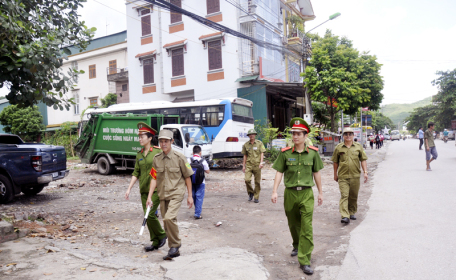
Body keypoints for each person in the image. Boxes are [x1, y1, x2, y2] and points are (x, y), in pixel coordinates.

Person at [271, 117, 324, 276]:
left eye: (298, 134)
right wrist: (275, 191)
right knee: (293, 223)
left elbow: (317, 173)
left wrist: (320, 192)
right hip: (290, 193)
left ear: (305, 135)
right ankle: (296, 243)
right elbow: (279, 172)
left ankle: (305, 260)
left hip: (307, 193)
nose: (295, 136)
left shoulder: (313, 153)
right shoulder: (285, 154)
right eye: (293, 133)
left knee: (306, 227)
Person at [146, 129, 194, 260]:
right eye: (161, 141)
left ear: (172, 141)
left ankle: (175, 245)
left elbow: (188, 177)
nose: (163, 144)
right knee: (167, 222)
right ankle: (174, 249)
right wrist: (150, 196)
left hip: (177, 193)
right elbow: (154, 178)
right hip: (163, 194)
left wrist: (190, 196)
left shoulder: (180, 157)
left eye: (166, 141)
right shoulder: (156, 159)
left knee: (169, 218)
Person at [125, 122, 167, 252]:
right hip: (143, 190)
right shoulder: (139, 154)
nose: (140, 139)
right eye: (139, 136)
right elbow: (136, 173)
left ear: (150, 138)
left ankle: (161, 235)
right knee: (147, 216)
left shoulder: (158, 152)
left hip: (155, 189)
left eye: (142, 136)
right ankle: (155, 242)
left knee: (150, 215)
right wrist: (129, 188)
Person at [331, 127, 368, 224]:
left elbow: (363, 160)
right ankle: (345, 215)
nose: (348, 136)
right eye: (346, 134)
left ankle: (352, 212)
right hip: (343, 176)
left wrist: (365, 172)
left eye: (350, 134)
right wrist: (335, 174)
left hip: (355, 175)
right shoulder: (339, 147)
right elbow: (335, 162)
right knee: (344, 195)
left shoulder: (358, 147)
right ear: (343, 136)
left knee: (353, 195)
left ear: (353, 135)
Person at [242, 129, 266, 203]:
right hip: (249, 165)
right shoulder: (246, 144)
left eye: (253, 134)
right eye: (250, 134)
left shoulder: (259, 143)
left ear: (255, 135)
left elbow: (262, 153)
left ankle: (256, 197)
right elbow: (245, 155)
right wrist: (243, 166)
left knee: (257, 182)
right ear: (248, 136)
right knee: (247, 180)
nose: (251, 135)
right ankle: (251, 192)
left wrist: (261, 163)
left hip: (257, 165)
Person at [188, 145, 210, 219]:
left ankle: (196, 210)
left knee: (193, 196)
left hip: (191, 182)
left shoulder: (189, 160)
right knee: (199, 197)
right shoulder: (203, 161)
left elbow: (186, 169)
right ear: (200, 153)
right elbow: (208, 171)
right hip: (201, 182)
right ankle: (197, 214)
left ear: (193, 152)